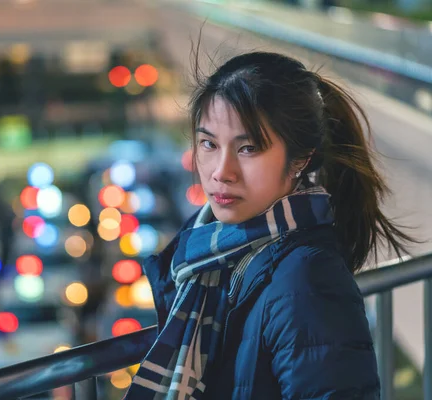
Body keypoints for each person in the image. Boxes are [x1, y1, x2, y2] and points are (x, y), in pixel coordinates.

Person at [124, 51, 417, 399]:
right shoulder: (210, 249)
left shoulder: (306, 278)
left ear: (300, 159)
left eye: (248, 148)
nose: (221, 171)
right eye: (209, 144)